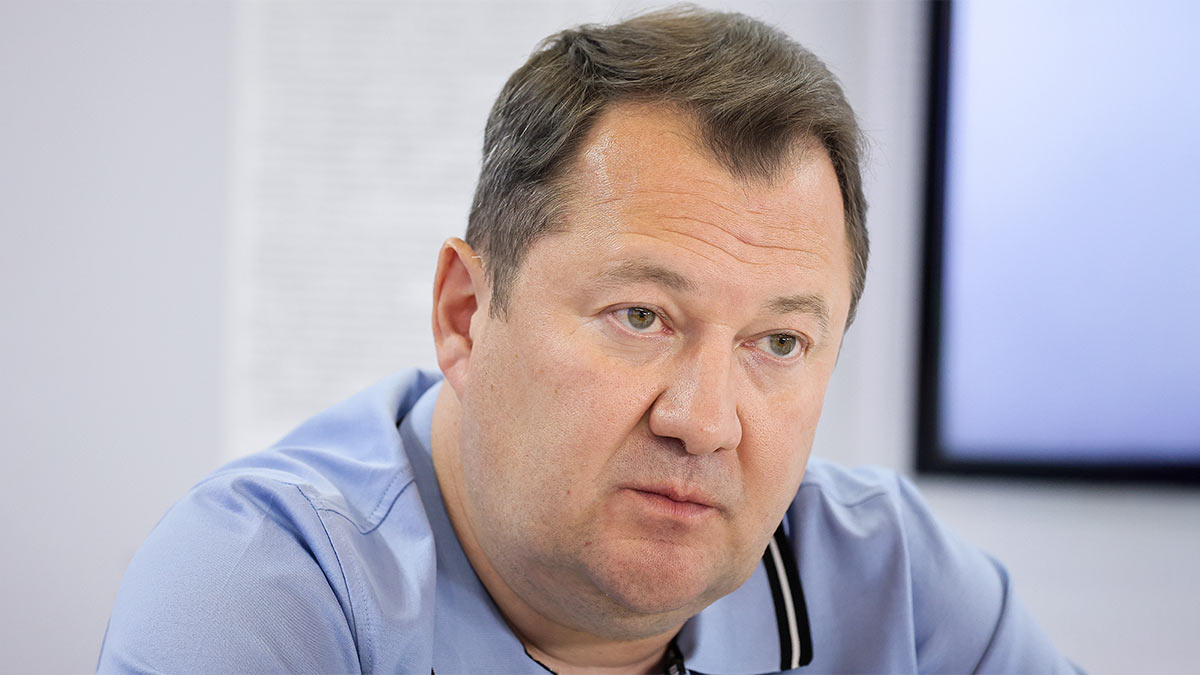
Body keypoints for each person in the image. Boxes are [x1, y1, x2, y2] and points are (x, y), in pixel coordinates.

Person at [99, 7, 1079, 674]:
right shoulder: (261, 593)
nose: (705, 421)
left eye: (778, 342)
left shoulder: (892, 579)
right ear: (465, 314)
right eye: (641, 317)